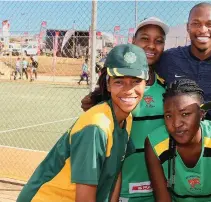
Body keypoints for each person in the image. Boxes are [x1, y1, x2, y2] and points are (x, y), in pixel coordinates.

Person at [17, 44, 148, 202]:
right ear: (108, 84)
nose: (128, 90)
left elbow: (115, 173)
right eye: (119, 82)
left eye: (136, 81)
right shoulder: (96, 127)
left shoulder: (126, 118)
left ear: (145, 84)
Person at [81, 17, 169, 202]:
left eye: (158, 41)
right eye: (145, 38)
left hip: (160, 191)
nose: (151, 45)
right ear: (133, 42)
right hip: (120, 191)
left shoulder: (167, 88)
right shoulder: (112, 93)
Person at [145, 79, 211, 202]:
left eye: (185, 114)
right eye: (168, 116)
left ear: (202, 113)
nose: (176, 124)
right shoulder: (155, 143)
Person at [156, 2, 211, 121]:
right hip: (177, 134)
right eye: (196, 23)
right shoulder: (169, 59)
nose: (203, 30)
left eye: (210, 24)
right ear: (187, 27)